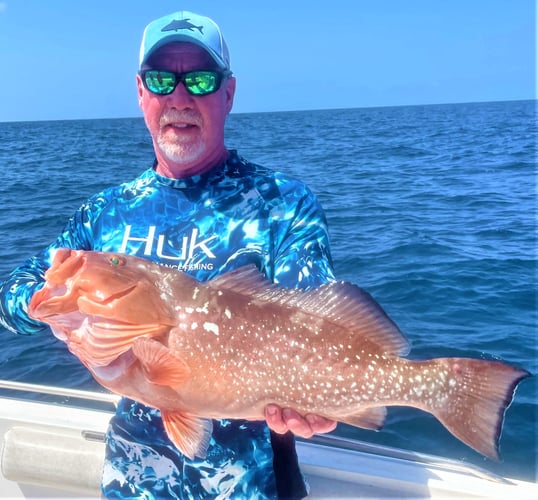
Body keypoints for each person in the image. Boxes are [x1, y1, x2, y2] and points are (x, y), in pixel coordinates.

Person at [0, 10, 337, 499]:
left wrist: (319, 395)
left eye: (200, 80)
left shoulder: (282, 205)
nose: (179, 97)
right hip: (132, 484)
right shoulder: (106, 212)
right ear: (141, 93)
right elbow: (12, 296)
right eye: (162, 79)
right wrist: (45, 303)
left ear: (228, 93)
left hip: (254, 485)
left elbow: (316, 313)